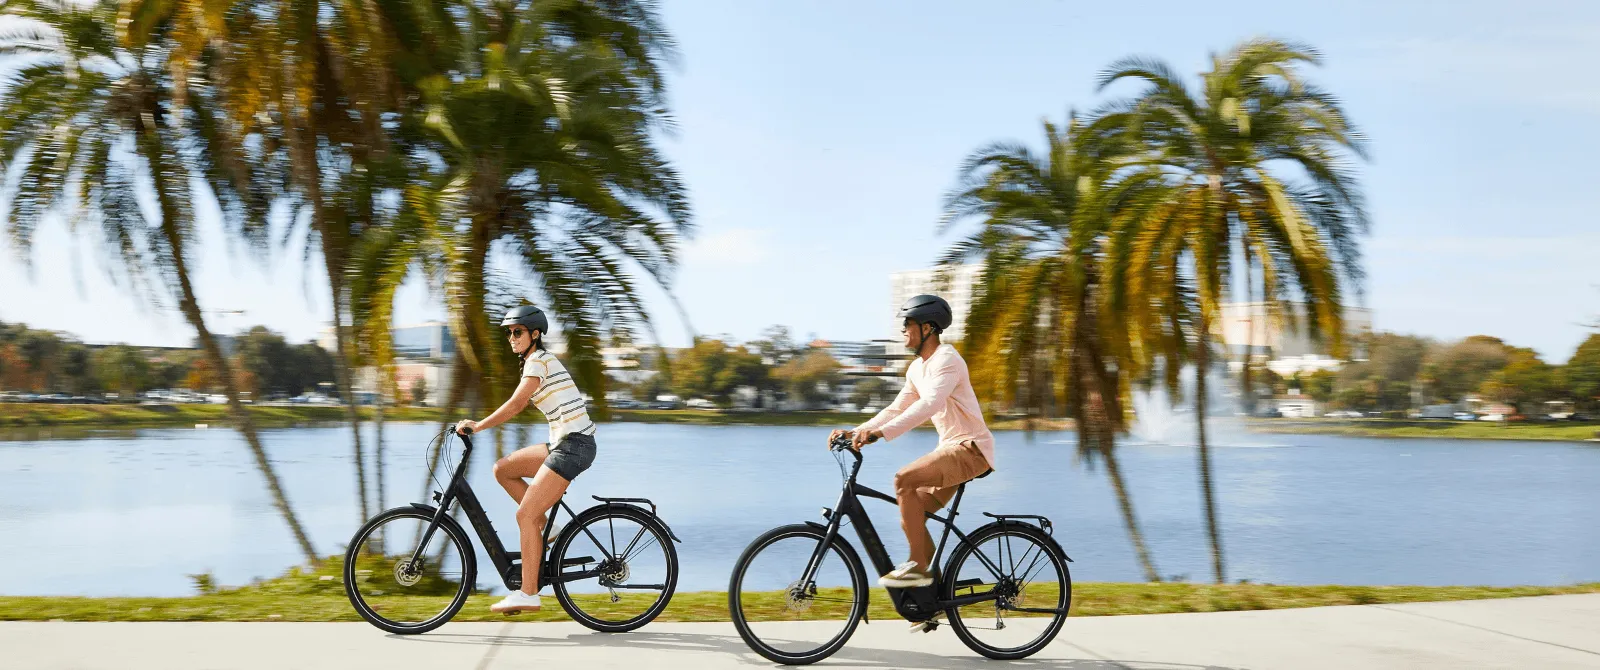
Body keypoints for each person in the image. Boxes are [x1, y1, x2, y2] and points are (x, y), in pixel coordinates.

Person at [830, 294, 996, 603]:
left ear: (928, 328)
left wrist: (881, 434)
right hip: (952, 449)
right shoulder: (917, 369)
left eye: (909, 325)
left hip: (970, 449)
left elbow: (928, 404)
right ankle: (932, 597)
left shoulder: (947, 360)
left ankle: (919, 567)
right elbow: (896, 409)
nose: (904, 330)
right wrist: (858, 430)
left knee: (903, 480)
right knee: (912, 509)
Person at [455, 305, 598, 614]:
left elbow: (517, 402)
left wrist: (478, 426)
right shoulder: (534, 363)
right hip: (563, 443)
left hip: (574, 446)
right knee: (503, 469)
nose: (512, 338)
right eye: (509, 333)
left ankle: (529, 592)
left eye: (517, 332)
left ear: (535, 335)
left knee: (525, 516)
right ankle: (551, 530)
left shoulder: (539, 361)